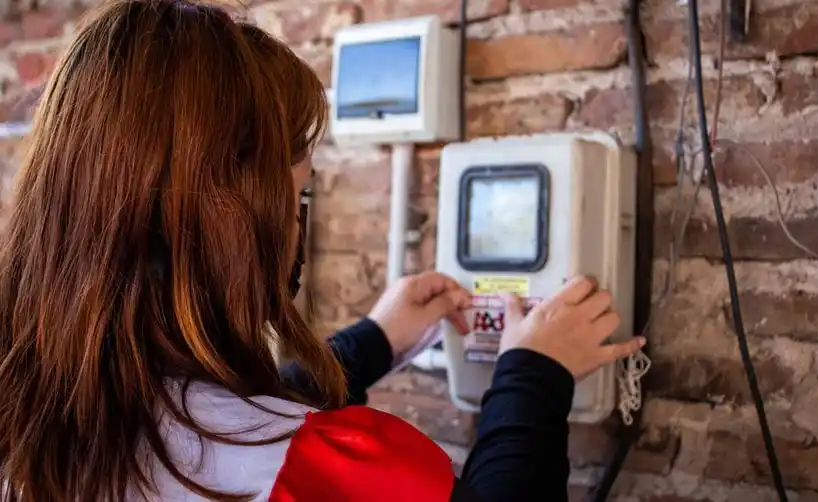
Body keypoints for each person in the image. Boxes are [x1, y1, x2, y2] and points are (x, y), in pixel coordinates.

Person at [0, 1, 646, 501]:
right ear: (232, 213)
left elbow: (197, 419)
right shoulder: (319, 469)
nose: (293, 225)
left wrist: (369, 342)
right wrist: (533, 373)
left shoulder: (36, 412)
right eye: (296, 197)